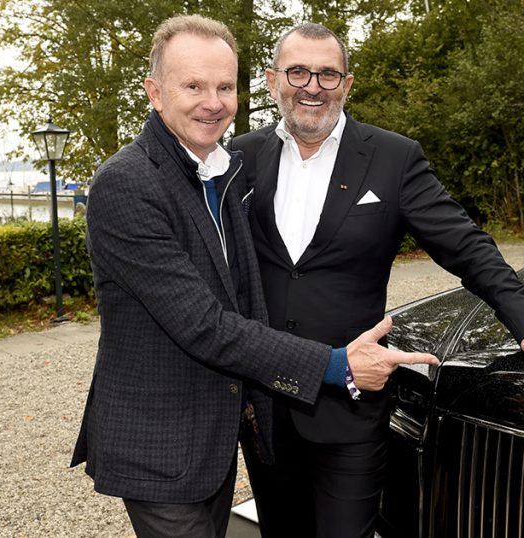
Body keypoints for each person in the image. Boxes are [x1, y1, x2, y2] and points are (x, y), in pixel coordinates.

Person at [231, 22, 524, 538]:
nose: (312, 86)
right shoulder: (241, 156)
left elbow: (465, 245)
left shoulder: (392, 157)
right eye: (298, 72)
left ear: (347, 83)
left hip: (352, 403)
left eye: (327, 74)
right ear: (273, 79)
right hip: (266, 403)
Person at [69, 15, 437, 538]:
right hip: (159, 444)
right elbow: (202, 323)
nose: (213, 102)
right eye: (193, 86)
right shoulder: (126, 182)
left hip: (215, 442)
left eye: (224, 87)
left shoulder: (220, 171)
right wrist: (336, 365)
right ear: (154, 92)